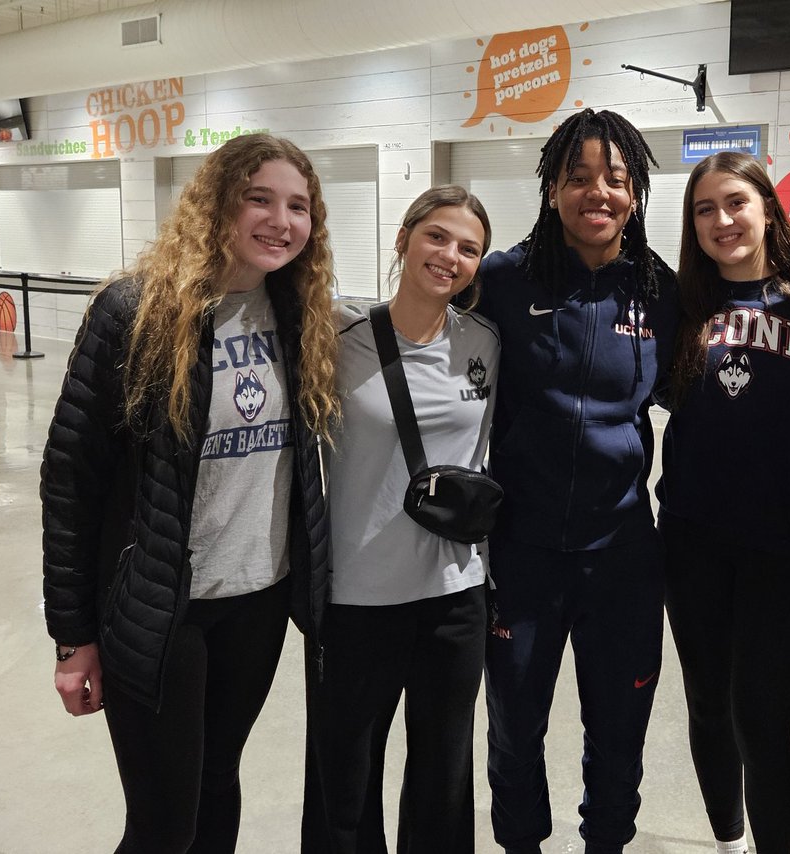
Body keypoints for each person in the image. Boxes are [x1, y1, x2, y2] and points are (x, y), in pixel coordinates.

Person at [41, 133, 337, 853]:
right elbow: (72, 481)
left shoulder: (301, 315)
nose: (281, 220)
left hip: (258, 601)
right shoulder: (135, 312)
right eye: (259, 199)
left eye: (298, 206)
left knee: (216, 785)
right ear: (216, 205)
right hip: (162, 608)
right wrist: (73, 639)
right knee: (163, 822)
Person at [476, 107, 678, 854]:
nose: (599, 192)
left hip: (622, 557)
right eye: (579, 178)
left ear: (636, 192)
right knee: (513, 733)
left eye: (617, 180)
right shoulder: (501, 280)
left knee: (619, 734)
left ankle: (606, 846)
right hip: (522, 556)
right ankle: (521, 844)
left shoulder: (659, 289)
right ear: (552, 187)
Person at [301, 185, 499, 854]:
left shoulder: (486, 345)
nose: (450, 256)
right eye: (437, 237)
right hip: (357, 598)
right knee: (345, 782)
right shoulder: (337, 338)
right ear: (404, 239)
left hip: (454, 596)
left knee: (444, 777)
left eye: (468, 248)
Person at [656, 151, 790, 854]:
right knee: (707, 707)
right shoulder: (680, 305)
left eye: (735, 202)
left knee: (761, 717)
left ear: (767, 208)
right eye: (705, 209)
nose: (722, 220)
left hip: (787, 547)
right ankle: (729, 843)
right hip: (693, 538)